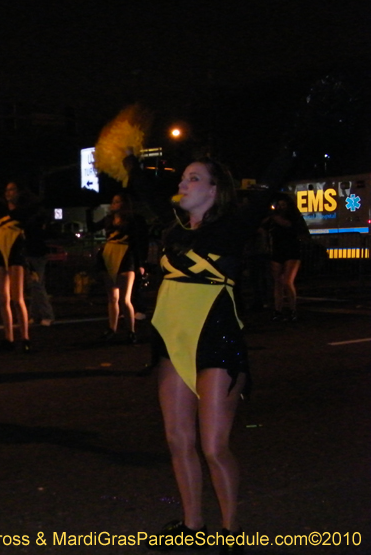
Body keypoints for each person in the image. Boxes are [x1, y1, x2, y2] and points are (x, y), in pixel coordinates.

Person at [126, 151, 292, 554]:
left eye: (193, 178)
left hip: (217, 341)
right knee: (177, 439)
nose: (182, 184)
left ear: (215, 191)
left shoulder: (233, 226)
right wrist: (130, 162)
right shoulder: (172, 229)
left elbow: (271, 180)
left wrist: (308, 124)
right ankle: (192, 525)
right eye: (183, 178)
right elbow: (147, 194)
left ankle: (231, 532)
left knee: (214, 446)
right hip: (170, 339)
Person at [86, 192, 148, 344]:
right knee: (112, 297)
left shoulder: (134, 219)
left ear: (125, 204)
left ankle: (131, 331)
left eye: (118, 201)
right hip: (109, 256)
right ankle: (111, 328)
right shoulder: (109, 219)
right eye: (113, 201)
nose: (114, 204)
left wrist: (141, 264)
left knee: (125, 299)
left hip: (126, 257)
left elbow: (140, 242)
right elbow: (92, 228)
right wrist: (90, 211)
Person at [0, 181, 31, 352]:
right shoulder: (1, 209)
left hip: (15, 251)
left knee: (17, 298)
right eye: (7, 190)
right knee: (2, 298)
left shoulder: (23, 210)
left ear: (19, 192)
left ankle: (25, 338)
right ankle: (8, 338)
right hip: (0, 250)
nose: (8, 193)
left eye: (12, 189)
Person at [266, 194, 305, 322]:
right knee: (277, 282)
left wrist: (273, 216)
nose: (281, 207)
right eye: (280, 205)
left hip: (291, 250)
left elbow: (288, 225)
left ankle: (293, 310)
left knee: (287, 281)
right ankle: (278, 310)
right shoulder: (272, 220)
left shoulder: (293, 217)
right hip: (277, 250)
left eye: (284, 205)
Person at [24, 204, 55, 327]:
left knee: (36, 285)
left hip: (35, 253)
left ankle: (46, 315)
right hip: (35, 253)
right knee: (35, 285)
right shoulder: (37, 219)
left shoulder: (33, 220)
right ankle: (36, 314)